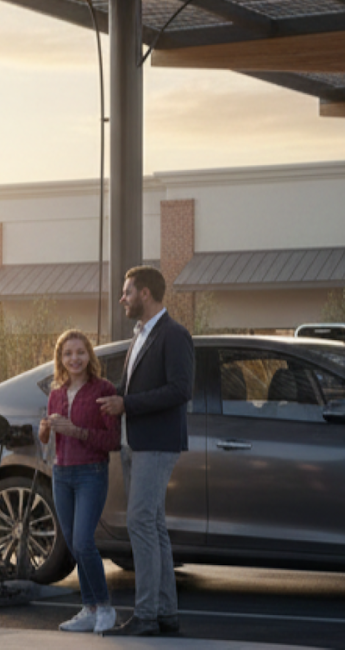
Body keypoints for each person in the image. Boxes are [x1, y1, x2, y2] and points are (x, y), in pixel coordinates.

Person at [97, 266, 193, 637]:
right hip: (136, 443)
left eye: (127, 292)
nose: (122, 298)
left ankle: (146, 616)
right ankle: (165, 613)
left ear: (146, 294)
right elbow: (131, 388)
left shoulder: (174, 335)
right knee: (153, 526)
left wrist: (128, 405)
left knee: (139, 522)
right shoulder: (139, 335)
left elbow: (180, 390)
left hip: (157, 443)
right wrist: (114, 399)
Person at [39, 329, 119, 633]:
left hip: (91, 473)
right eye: (68, 353)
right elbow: (50, 440)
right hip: (62, 474)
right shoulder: (56, 392)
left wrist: (75, 430)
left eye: (80, 352)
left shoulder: (104, 388)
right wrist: (45, 430)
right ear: (60, 358)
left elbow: (112, 440)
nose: (75, 358)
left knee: (85, 542)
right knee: (74, 544)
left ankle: (106, 608)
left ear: (90, 355)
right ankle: (89, 608)